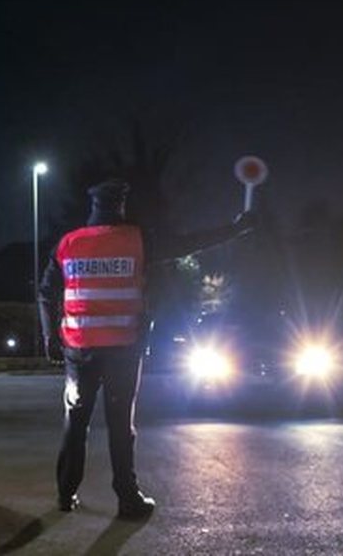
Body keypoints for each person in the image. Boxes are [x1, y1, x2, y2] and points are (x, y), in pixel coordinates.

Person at [38, 178, 254, 519]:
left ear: (92, 207)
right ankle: (127, 497)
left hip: (79, 351)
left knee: (75, 422)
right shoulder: (136, 239)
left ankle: (65, 494)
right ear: (121, 205)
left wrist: (50, 337)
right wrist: (233, 229)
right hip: (123, 349)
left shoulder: (68, 243)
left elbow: (46, 292)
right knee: (121, 425)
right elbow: (187, 244)